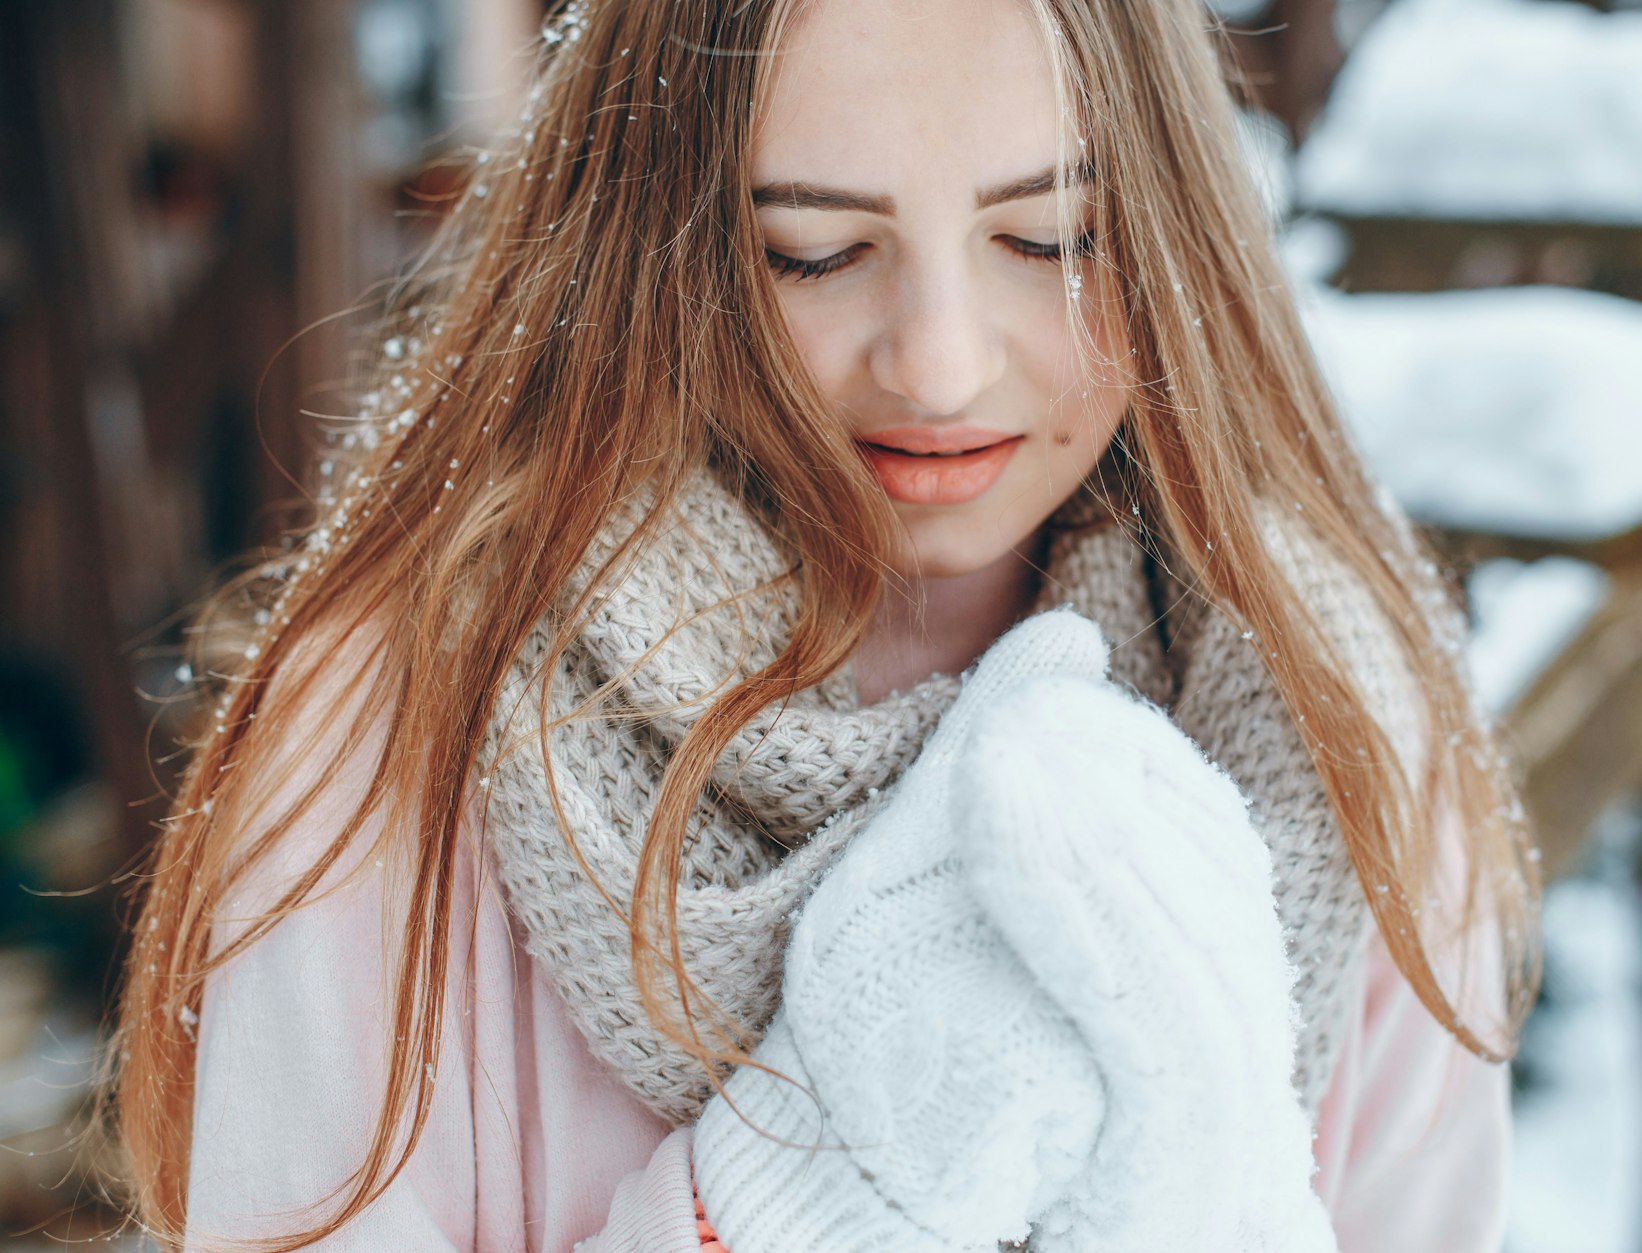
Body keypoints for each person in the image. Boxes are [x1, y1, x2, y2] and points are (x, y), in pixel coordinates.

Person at [104, 0, 1542, 1249]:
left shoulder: (1334, 718)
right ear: (654, 244)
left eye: (1053, 238)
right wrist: (802, 1193)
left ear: (1180, 234)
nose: (939, 360)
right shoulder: (395, 730)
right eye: (811, 251)